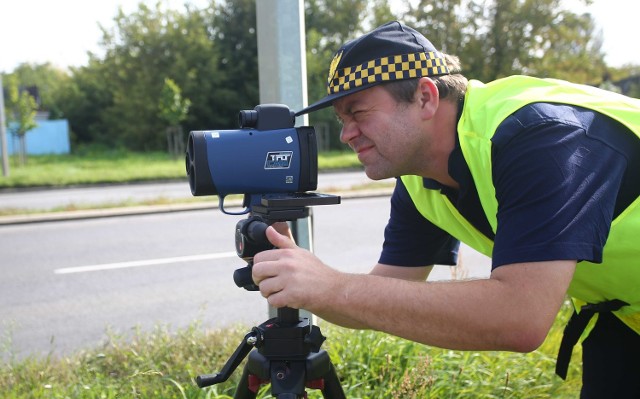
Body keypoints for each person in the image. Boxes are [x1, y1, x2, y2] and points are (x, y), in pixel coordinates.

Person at [251, 21, 640, 398]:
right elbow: (386, 292)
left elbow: (519, 317)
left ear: (425, 97)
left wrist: (334, 287)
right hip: (624, 316)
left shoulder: (539, 137)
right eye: (340, 119)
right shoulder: (419, 179)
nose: (345, 133)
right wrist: (305, 280)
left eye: (358, 112)